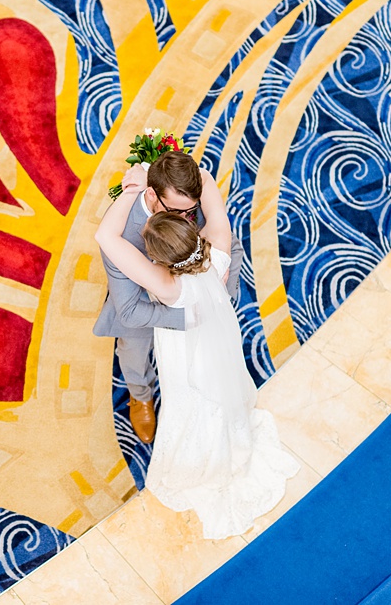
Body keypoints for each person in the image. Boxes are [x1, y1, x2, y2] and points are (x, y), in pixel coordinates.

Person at [94, 182, 299, 539]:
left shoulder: (166, 286)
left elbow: (106, 237)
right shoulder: (217, 248)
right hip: (218, 339)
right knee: (218, 388)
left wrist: (131, 188)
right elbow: (216, 206)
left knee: (188, 397)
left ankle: (197, 452)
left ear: (157, 260)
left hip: (185, 351)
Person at [93, 151, 242, 443]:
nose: (188, 218)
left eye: (192, 211)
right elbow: (130, 312)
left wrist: (220, 294)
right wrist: (194, 314)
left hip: (189, 296)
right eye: (177, 213)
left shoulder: (186, 196)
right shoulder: (124, 235)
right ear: (152, 195)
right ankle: (140, 394)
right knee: (133, 348)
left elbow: (229, 241)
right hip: (144, 303)